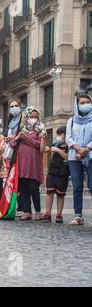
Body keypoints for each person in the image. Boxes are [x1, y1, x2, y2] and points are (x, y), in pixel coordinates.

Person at [10, 107, 47, 221]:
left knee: (33, 188)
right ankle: (27, 212)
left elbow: (40, 146)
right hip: (21, 164)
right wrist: (18, 137)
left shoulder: (40, 130)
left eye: (36, 117)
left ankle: (38, 211)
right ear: (26, 117)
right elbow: (12, 143)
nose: (33, 119)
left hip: (33, 164)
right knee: (23, 188)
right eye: (31, 117)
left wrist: (26, 139)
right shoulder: (21, 128)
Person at [66, 91, 92, 227]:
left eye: (88, 102)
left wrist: (86, 149)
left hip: (90, 156)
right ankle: (78, 216)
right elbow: (68, 138)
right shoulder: (71, 121)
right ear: (77, 105)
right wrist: (78, 148)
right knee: (77, 187)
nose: (85, 105)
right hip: (74, 157)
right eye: (82, 103)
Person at [42, 126, 69, 224]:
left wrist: (58, 150)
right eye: (58, 134)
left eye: (60, 134)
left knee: (60, 195)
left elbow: (68, 157)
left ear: (66, 135)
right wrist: (44, 139)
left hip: (63, 173)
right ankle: (47, 213)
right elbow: (44, 149)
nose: (58, 136)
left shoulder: (69, 146)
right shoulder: (55, 144)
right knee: (49, 193)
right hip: (52, 172)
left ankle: (59, 215)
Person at [5, 100, 25, 216]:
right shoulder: (11, 122)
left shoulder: (23, 120)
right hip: (13, 153)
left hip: (21, 152)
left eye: (16, 106)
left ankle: (23, 207)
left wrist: (14, 139)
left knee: (21, 180)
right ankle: (16, 205)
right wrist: (9, 139)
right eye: (12, 106)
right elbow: (8, 136)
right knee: (13, 180)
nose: (14, 108)